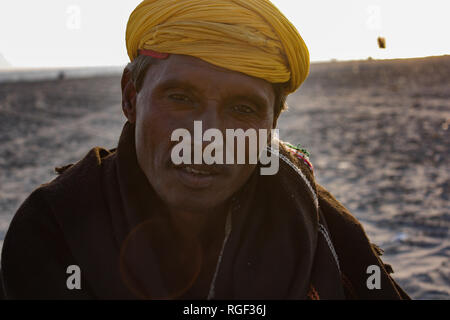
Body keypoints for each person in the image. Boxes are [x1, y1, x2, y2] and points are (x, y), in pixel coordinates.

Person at [0, 0, 409, 299]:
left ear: (271, 127)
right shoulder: (54, 226)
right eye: (180, 97)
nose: (207, 137)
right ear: (130, 97)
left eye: (242, 108)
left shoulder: (316, 222)